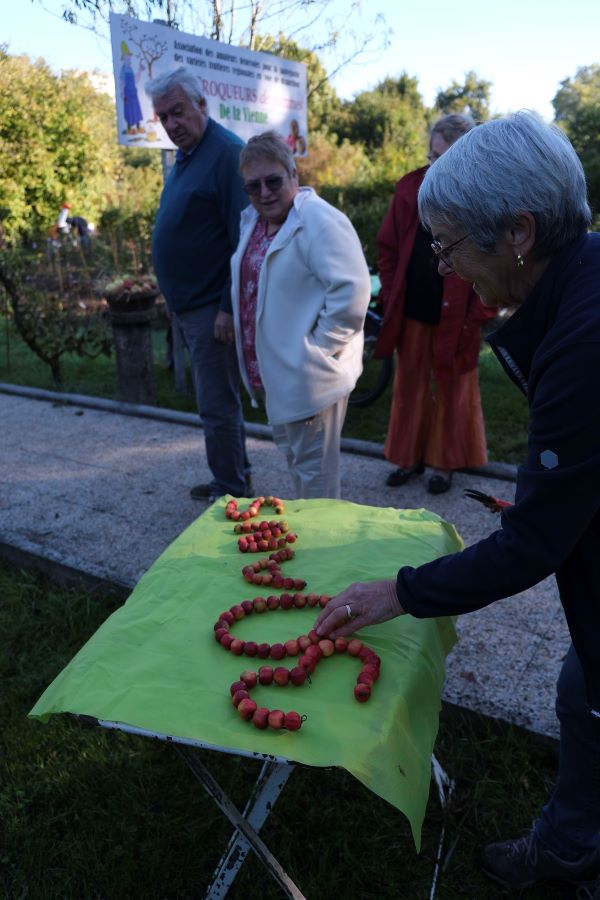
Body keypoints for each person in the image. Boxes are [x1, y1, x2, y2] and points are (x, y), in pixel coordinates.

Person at [314, 112, 600, 893]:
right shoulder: (584, 279)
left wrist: (401, 592)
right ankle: (572, 842)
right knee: (585, 692)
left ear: (518, 231)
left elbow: (533, 548)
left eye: (449, 246)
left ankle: (573, 856)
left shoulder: (581, 340)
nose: (442, 269)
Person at [229, 131, 370, 499]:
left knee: (317, 483)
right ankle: (312, 548)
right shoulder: (255, 222)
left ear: (294, 174)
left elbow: (351, 292)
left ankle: (326, 554)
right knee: (299, 468)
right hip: (280, 376)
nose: (264, 193)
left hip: (308, 378)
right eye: (253, 186)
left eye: (273, 181)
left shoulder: (319, 220)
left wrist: (316, 353)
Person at [376, 114, 497, 495]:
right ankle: (407, 457)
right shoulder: (409, 189)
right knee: (409, 386)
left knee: (453, 387)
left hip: (458, 317)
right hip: (413, 310)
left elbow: (498, 263)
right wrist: (393, 290)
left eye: (443, 159)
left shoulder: (484, 198)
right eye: (431, 156)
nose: (434, 167)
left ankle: (444, 463)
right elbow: (389, 248)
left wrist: (479, 315)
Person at [146, 67, 251, 502]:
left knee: (216, 403)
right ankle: (231, 475)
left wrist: (228, 306)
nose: (172, 125)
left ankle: (231, 489)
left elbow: (240, 236)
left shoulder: (226, 152)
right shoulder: (187, 156)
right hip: (190, 305)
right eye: (163, 117)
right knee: (213, 401)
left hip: (213, 308)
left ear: (201, 105)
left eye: (178, 112)